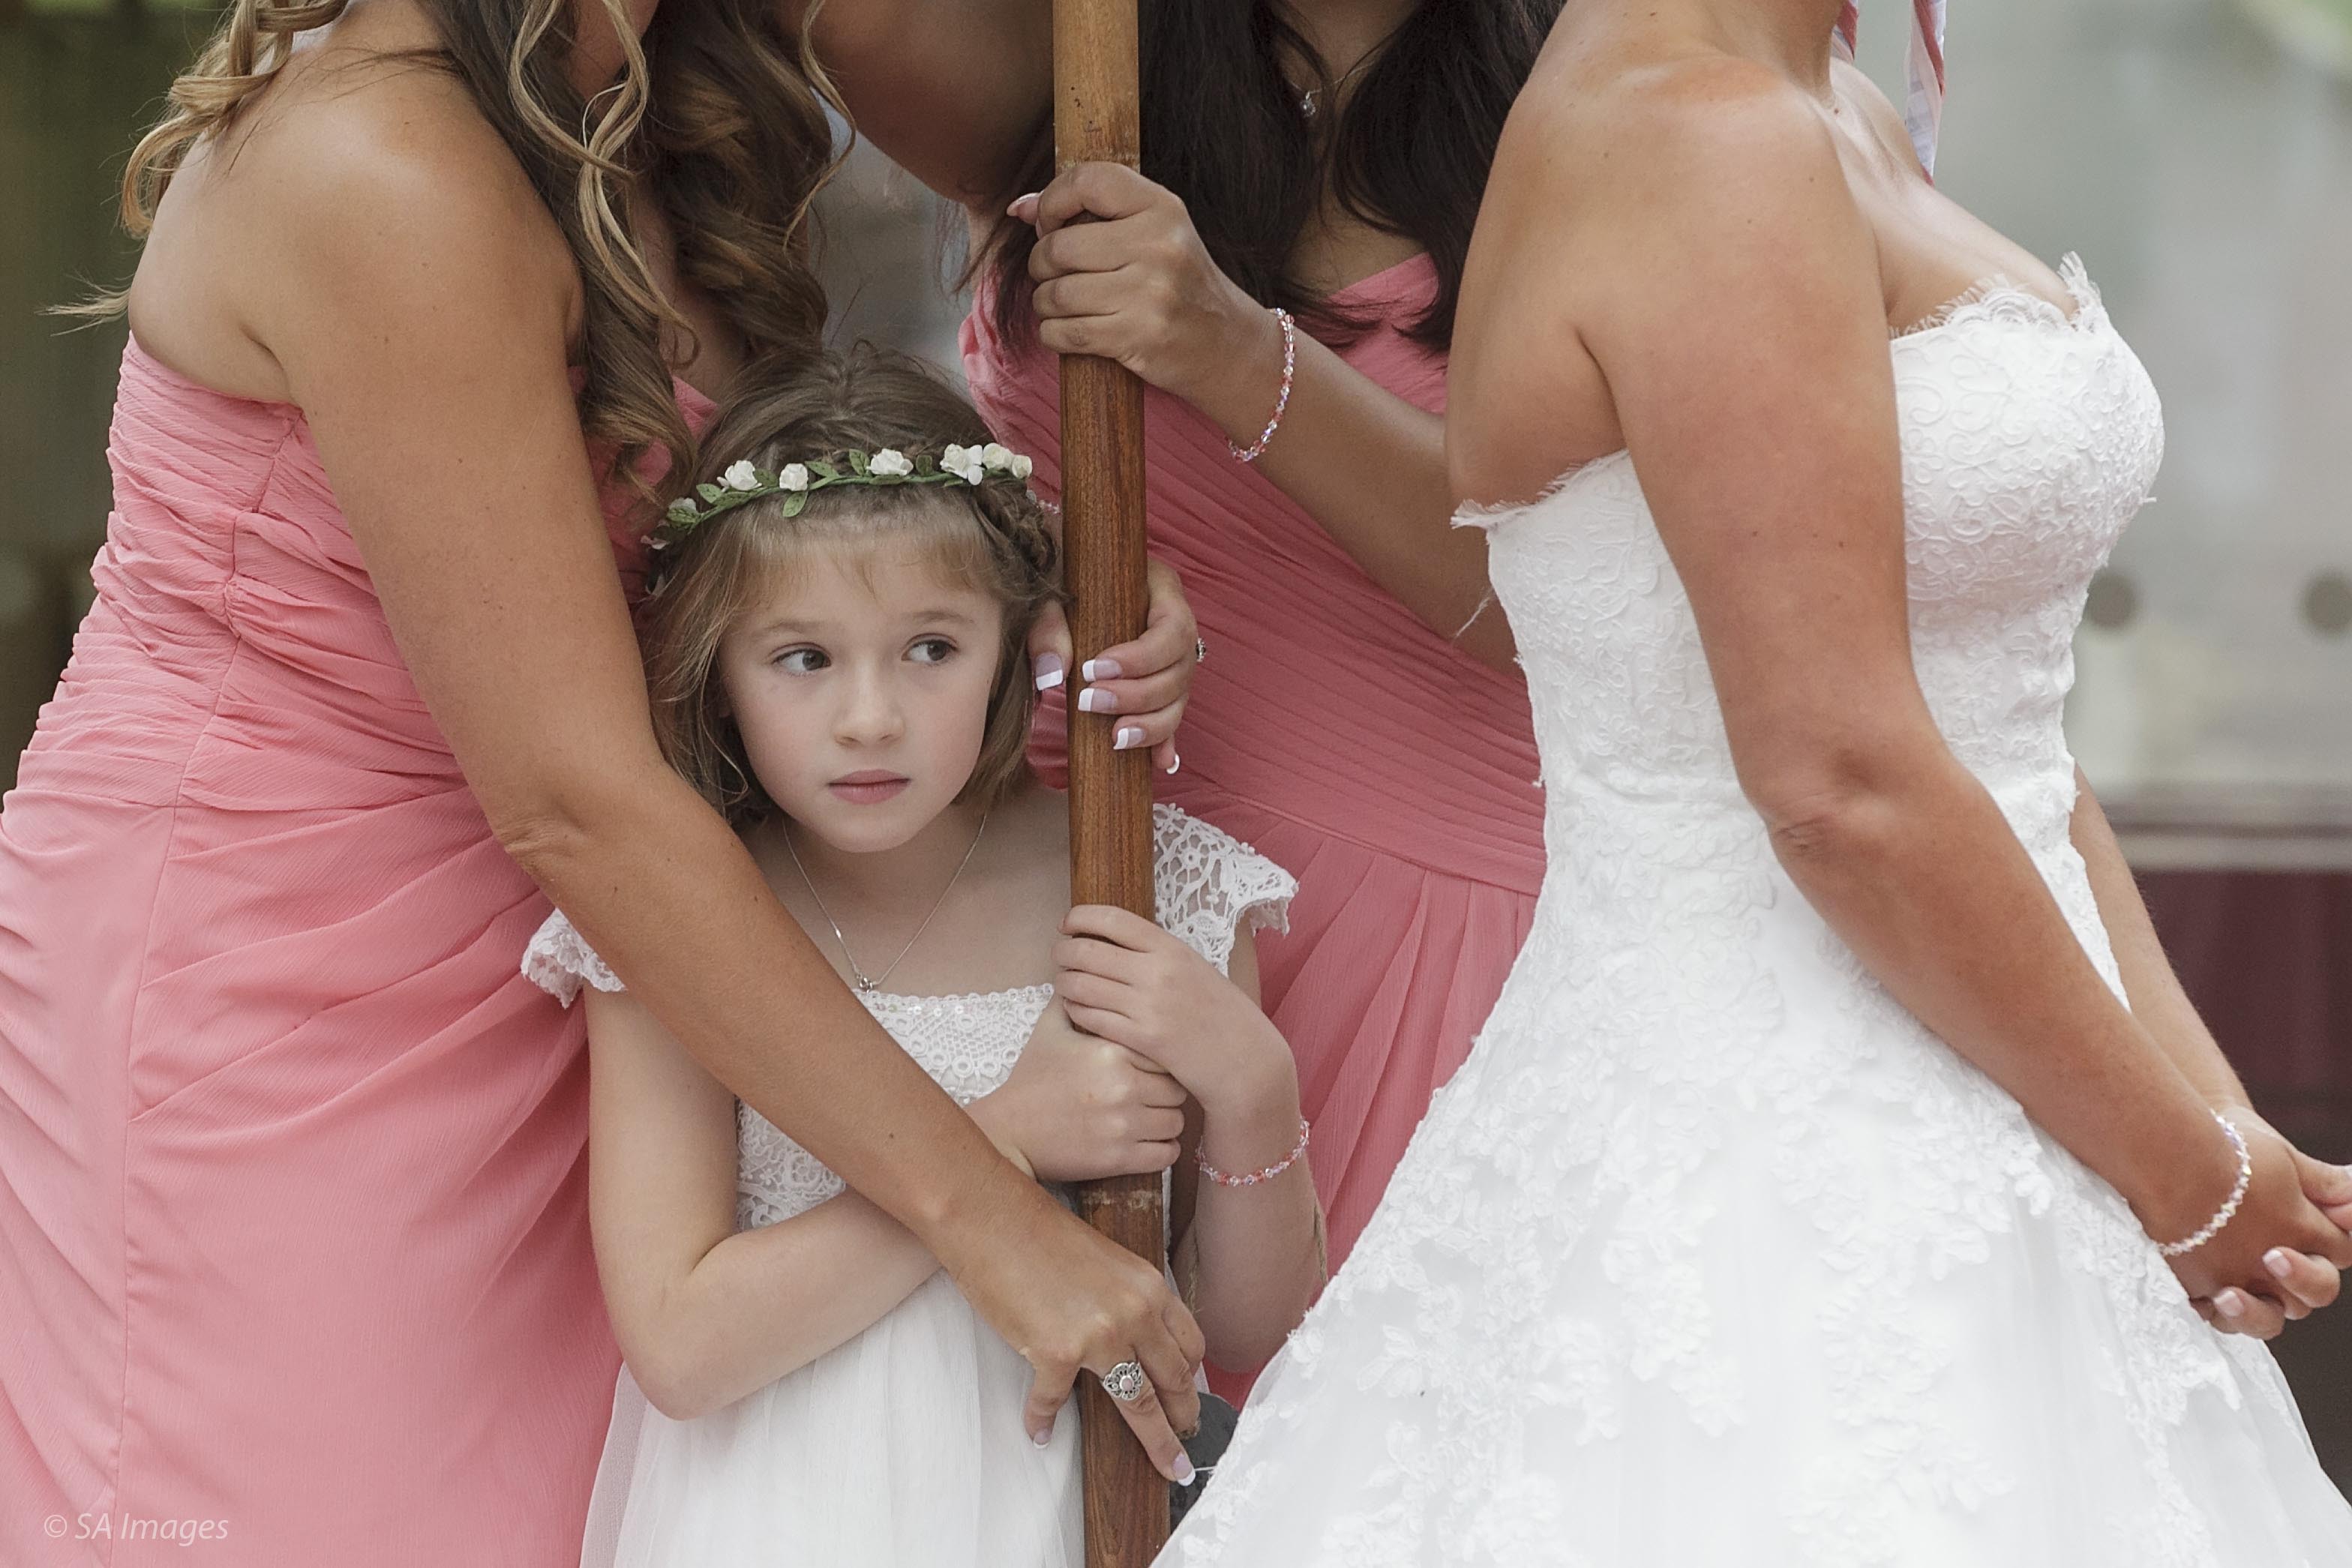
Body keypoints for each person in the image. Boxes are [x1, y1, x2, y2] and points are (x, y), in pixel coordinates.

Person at [0, 3, 1207, 1563]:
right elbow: (574, 794)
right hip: (291, 972)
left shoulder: (668, 72)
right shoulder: (382, 162)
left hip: (612, 937)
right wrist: (996, 1221)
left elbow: (746, 514)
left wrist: (1033, 556)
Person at [1162, 1, 2352, 1561]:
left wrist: (2202, 1120)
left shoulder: (1821, 97)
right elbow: (1835, 782)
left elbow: (2003, 739)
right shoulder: (1689, 132)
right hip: (1767, 1174)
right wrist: (2182, 1174)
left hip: (2015, 1081)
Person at [803, 0, 1563, 1363]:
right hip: (1074, 907)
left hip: (1436, 960)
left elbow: (1585, 595)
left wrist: (1230, 348)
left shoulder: (1589, 91)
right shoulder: (1088, 67)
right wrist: (1038, 571)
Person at [522, 346, 1325, 1567]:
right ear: (717, 670)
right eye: (804, 659)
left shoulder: (1140, 878)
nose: (870, 716)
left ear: (1018, 644)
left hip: (1067, 1508)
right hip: (785, 1514)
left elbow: (1241, 1324)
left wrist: (1255, 1092)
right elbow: (682, 1347)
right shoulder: (682, 919)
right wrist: (1001, 1143)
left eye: (930, 649)